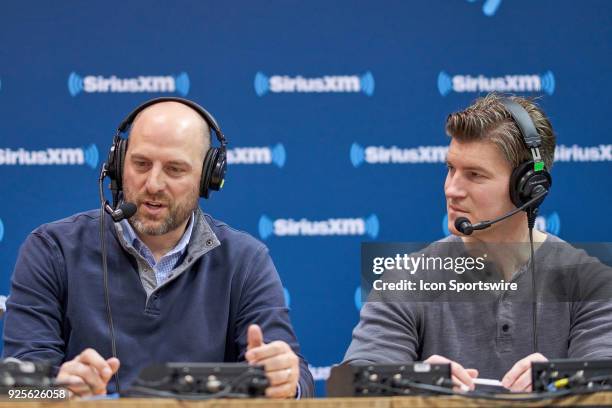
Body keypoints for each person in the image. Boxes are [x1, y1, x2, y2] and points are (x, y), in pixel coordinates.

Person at [3, 98, 314, 398]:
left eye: (174, 169)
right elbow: (16, 388)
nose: (153, 184)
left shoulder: (245, 260)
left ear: (208, 178)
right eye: (140, 163)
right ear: (117, 164)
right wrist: (56, 388)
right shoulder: (51, 249)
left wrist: (284, 380)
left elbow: (296, 380)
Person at [343, 93, 612, 392]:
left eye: (474, 175)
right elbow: (356, 382)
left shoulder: (592, 283)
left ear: (529, 188)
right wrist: (413, 380)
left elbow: (605, 375)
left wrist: (560, 381)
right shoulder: (407, 278)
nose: (452, 189)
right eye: (450, 169)